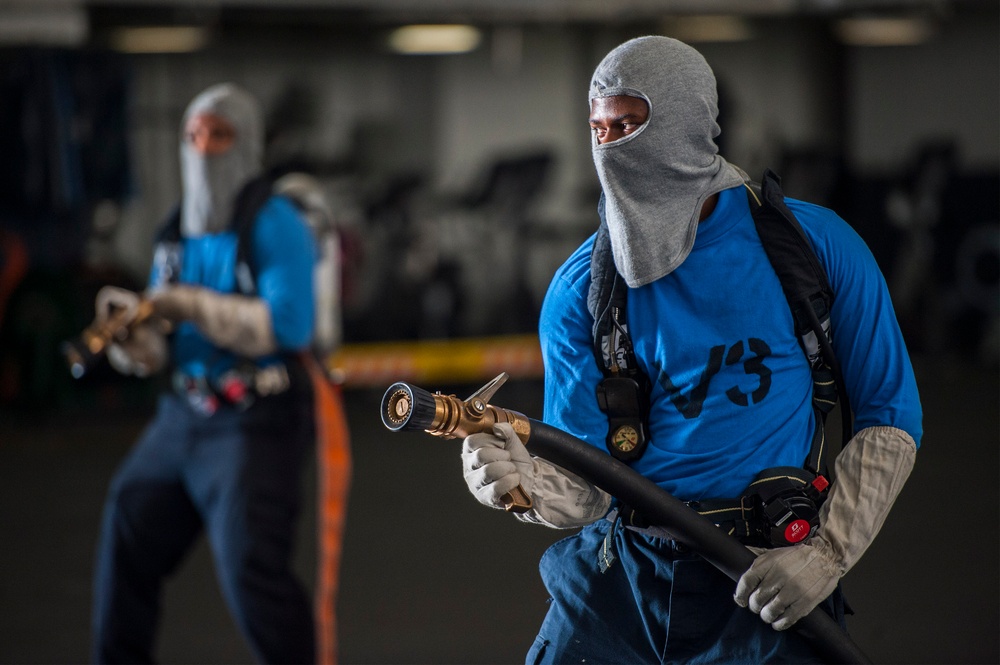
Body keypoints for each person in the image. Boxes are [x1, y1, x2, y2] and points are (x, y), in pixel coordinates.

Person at [460, 36, 922, 663]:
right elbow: (588, 482)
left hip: (766, 575)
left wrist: (827, 555)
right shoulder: (582, 290)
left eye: (627, 124)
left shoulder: (815, 249)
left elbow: (889, 415)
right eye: (598, 128)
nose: (609, 146)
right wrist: (521, 484)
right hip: (627, 577)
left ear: (685, 123)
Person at [91, 83, 325, 664]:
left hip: (254, 422)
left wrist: (190, 304)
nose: (203, 149)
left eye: (219, 136)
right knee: (126, 529)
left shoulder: (274, 222)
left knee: (252, 573)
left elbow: (288, 327)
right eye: (193, 135)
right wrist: (132, 340)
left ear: (245, 145)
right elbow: (162, 351)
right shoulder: (175, 234)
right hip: (183, 417)